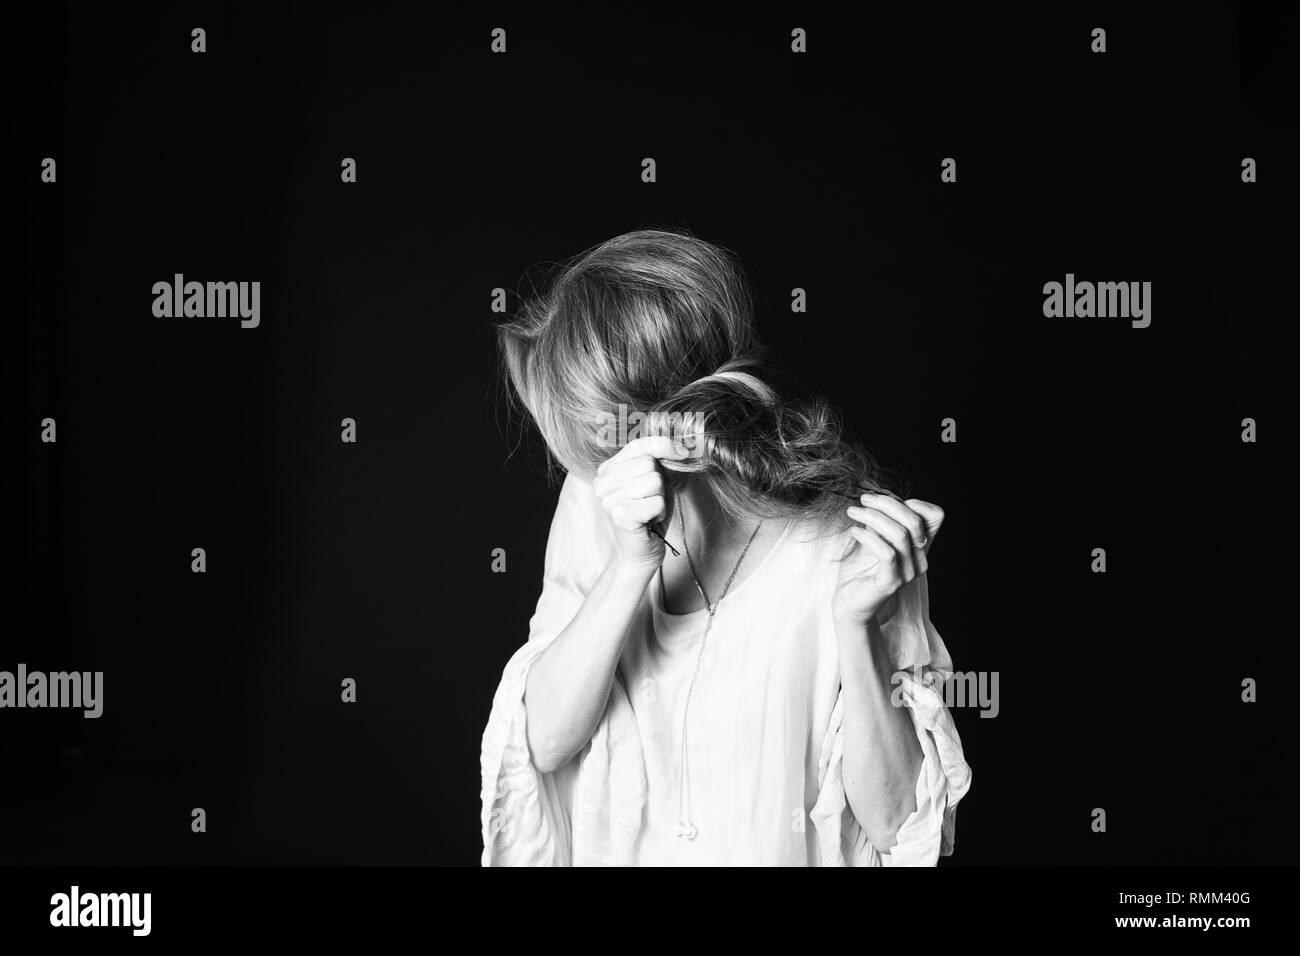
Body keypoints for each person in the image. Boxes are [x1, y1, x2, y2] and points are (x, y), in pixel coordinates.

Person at [481, 228, 971, 865]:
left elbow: (899, 828)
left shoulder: (850, 547)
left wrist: (856, 628)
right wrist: (632, 565)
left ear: (644, 422)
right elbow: (543, 742)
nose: (579, 462)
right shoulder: (597, 504)